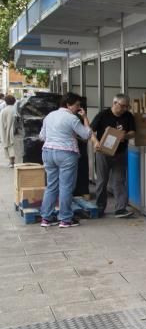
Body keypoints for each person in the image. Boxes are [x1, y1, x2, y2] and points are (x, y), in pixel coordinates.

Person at [38, 93, 93, 228]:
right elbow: (86, 134)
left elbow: (41, 136)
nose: (79, 108)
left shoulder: (49, 116)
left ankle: (46, 218)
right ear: (68, 105)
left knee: (51, 186)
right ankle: (65, 219)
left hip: (48, 152)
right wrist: (85, 117)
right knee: (66, 187)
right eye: (77, 105)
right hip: (66, 154)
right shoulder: (72, 118)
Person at [89, 94, 137, 218]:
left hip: (120, 153)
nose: (125, 109)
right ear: (114, 103)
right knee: (102, 181)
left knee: (119, 181)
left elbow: (133, 133)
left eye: (127, 106)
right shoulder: (103, 115)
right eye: (122, 106)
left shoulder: (128, 116)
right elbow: (91, 131)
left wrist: (125, 136)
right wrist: (96, 142)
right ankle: (100, 207)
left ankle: (121, 209)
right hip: (103, 153)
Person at [0, 95, 16, 167]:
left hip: (7, 131)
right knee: (15, 147)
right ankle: (15, 161)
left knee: (9, 146)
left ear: (6, 102)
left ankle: (11, 162)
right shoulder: (17, 109)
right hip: (16, 132)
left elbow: (2, 123)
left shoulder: (3, 111)